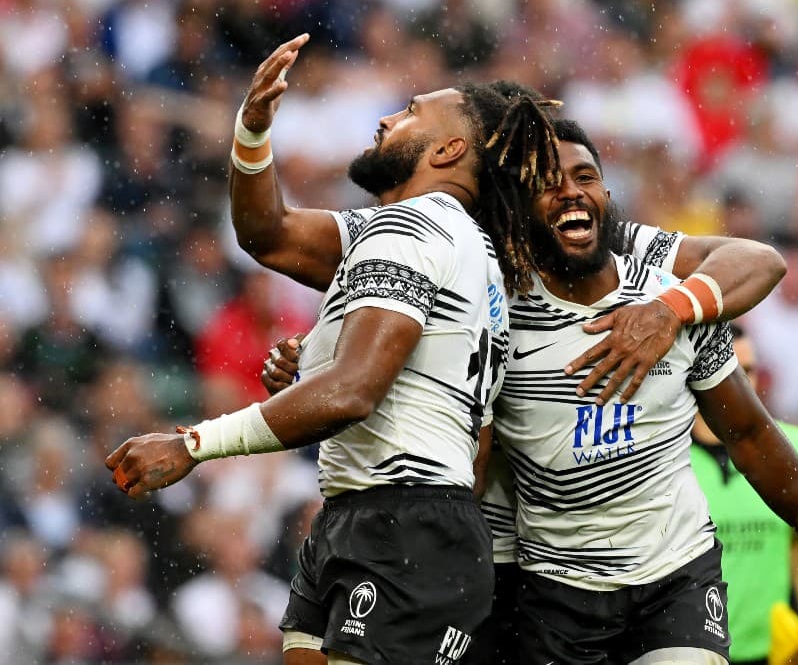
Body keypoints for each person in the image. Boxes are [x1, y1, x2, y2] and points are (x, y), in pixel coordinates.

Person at [263, 120, 798, 664]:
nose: (570, 190)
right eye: (545, 183)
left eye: (585, 176)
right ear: (517, 212)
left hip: (677, 577)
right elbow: (426, 406)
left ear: (607, 194)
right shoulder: (496, 309)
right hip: (553, 590)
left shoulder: (673, 291)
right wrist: (321, 364)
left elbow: (749, 431)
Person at [106, 35, 566, 665]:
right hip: (388, 517)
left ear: (450, 148)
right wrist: (252, 133)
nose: (385, 117)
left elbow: (352, 391)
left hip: (400, 521)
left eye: (409, 111)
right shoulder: (461, 248)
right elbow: (269, 233)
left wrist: (195, 444)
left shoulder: (414, 226)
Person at [690, 324, 798, 665]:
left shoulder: (793, 449)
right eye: (729, 372)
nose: (742, 383)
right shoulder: (667, 455)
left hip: (774, 654)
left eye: (749, 371)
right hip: (692, 651)